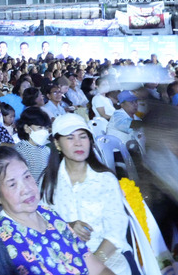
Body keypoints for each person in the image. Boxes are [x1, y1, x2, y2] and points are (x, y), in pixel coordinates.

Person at [0, 146, 112, 275]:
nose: (26, 189)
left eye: (27, 177)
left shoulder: (48, 214)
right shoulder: (4, 239)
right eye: (12, 184)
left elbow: (97, 269)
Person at [39, 114, 136, 275]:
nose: (78, 143)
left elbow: (116, 232)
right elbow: (41, 222)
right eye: (70, 138)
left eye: (83, 136)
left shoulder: (105, 180)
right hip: (64, 258)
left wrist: (92, 265)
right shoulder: (48, 182)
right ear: (57, 144)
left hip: (107, 256)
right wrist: (67, 226)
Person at [13, 106, 52, 182]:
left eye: (45, 128)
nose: (44, 131)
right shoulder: (19, 151)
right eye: (40, 128)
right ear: (27, 128)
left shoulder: (46, 150)